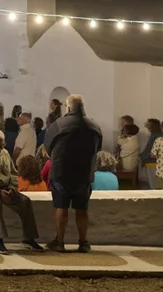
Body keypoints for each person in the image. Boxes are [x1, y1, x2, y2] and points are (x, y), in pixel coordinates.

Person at [43, 93, 102, 253]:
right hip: (84, 173)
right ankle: (83, 242)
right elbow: (98, 148)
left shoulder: (58, 124)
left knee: (61, 207)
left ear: (68, 107)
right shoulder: (94, 126)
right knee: (82, 208)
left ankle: (59, 242)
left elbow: (48, 147)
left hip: (61, 172)